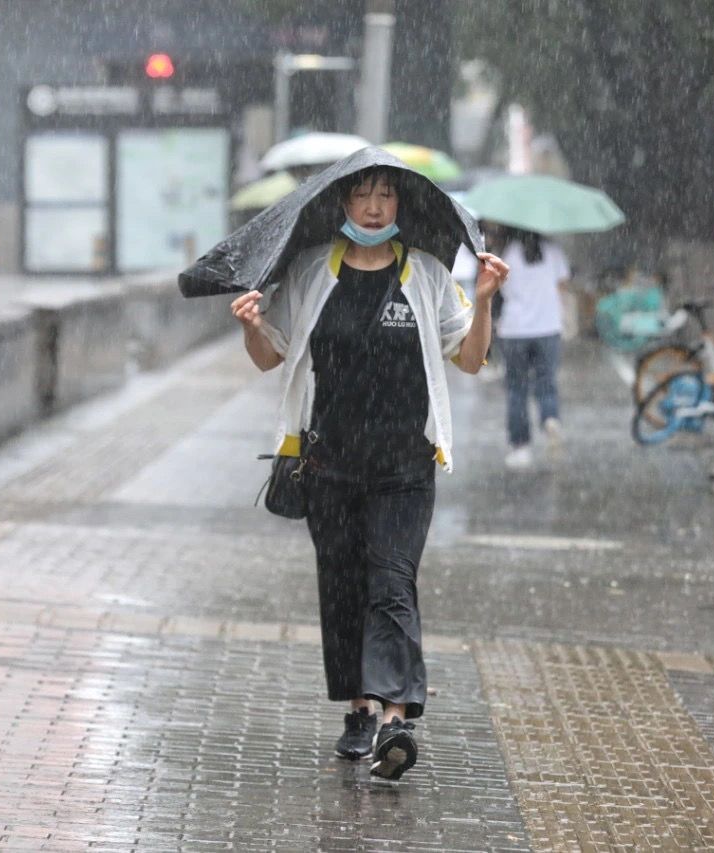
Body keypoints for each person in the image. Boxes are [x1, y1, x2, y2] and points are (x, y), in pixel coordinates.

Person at [229, 166, 508, 781]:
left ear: (401, 204)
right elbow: (270, 356)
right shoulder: (309, 270)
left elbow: (471, 358)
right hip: (328, 463)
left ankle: (395, 718)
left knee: (392, 580)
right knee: (344, 585)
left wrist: (484, 301)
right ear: (344, 202)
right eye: (363, 194)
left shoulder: (428, 275)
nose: (376, 207)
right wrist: (251, 326)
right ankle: (358, 708)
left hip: (406, 466)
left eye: (386, 195)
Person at [486, 224, 571, 471]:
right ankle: (550, 418)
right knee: (546, 383)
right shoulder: (553, 251)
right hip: (548, 327)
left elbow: (494, 289)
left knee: (516, 390)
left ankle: (521, 447)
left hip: (514, 330)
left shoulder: (505, 253)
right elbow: (563, 284)